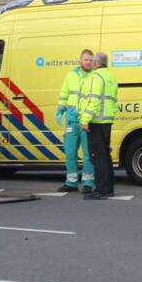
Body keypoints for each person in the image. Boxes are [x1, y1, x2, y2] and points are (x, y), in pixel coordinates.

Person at [79, 51, 118, 200]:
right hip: (107, 122)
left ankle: (101, 190)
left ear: (95, 63)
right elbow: (114, 101)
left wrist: (85, 120)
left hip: (96, 122)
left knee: (98, 157)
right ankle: (108, 189)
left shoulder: (96, 77)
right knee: (106, 157)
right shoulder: (110, 78)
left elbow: (94, 100)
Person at [55, 49, 95, 193]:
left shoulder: (94, 77)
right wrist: (60, 111)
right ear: (80, 60)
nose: (88, 62)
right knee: (70, 152)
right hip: (71, 121)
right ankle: (71, 182)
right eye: (86, 59)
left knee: (88, 154)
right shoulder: (70, 76)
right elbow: (64, 95)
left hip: (86, 122)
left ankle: (88, 182)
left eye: (90, 60)